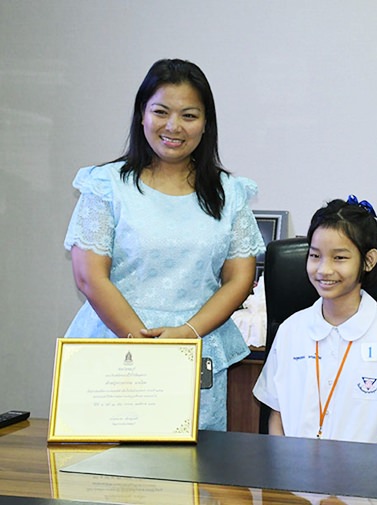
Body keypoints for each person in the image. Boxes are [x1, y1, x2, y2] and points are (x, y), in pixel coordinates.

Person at [63, 59, 265, 431]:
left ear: (206, 125)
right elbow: (89, 276)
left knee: (192, 476)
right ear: (142, 114)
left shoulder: (229, 194)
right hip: (113, 354)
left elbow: (239, 279)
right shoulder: (105, 185)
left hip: (195, 351)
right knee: (99, 476)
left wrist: (186, 335)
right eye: (161, 112)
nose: (173, 126)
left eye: (189, 115)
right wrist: (145, 350)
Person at [253, 196, 377, 444]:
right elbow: (276, 416)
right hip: (294, 476)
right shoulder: (290, 330)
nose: (323, 270)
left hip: (365, 477)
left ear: (368, 261)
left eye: (339, 258)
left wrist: (362, 475)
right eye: (315, 256)